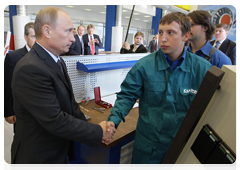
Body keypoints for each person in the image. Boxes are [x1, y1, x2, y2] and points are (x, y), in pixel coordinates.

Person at [10, 7, 115, 170]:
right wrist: (97, 132)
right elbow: (55, 120)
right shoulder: (30, 68)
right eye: (68, 31)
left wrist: (92, 129)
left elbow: (71, 104)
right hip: (39, 159)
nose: (73, 39)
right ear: (47, 30)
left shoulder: (58, 61)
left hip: (58, 151)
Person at [107, 12, 212, 169]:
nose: (163, 38)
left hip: (180, 147)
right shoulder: (144, 66)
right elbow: (127, 96)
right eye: (161, 32)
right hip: (148, 149)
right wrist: (113, 120)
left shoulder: (202, 70)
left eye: (170, 33)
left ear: (186, 36)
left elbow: (211, 108)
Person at [4, 22, 36, 126]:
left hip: (41, 110)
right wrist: (8, 112)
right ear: (25, 37)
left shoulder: (45, 56)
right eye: (33, 36)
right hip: (21, 111)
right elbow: (7, 86)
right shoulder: (13, 57)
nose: (37, 40)